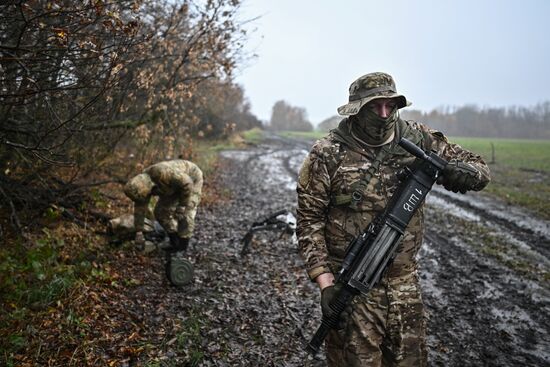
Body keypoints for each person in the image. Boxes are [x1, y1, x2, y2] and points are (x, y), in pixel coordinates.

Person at [296, 72, 490, 366]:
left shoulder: (419, 139)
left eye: (391, 106)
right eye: (375, 107)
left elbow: (479, 168)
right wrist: (326, 284)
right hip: (353, 289)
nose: (384, 114)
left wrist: (464, 173)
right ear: (358, 109)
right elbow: (309, 221)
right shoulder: (327, 153)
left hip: (405, 287)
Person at [124, 159, 203, 285]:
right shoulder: (141, 187)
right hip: (172, 188)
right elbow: (140, 210)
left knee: (185, 214)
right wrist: (139, 232)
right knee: (160, 212)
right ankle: (174, 240)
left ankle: (182, 246)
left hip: (191, 179)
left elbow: (187, 183)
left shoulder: (161, 172)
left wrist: (182, 206)